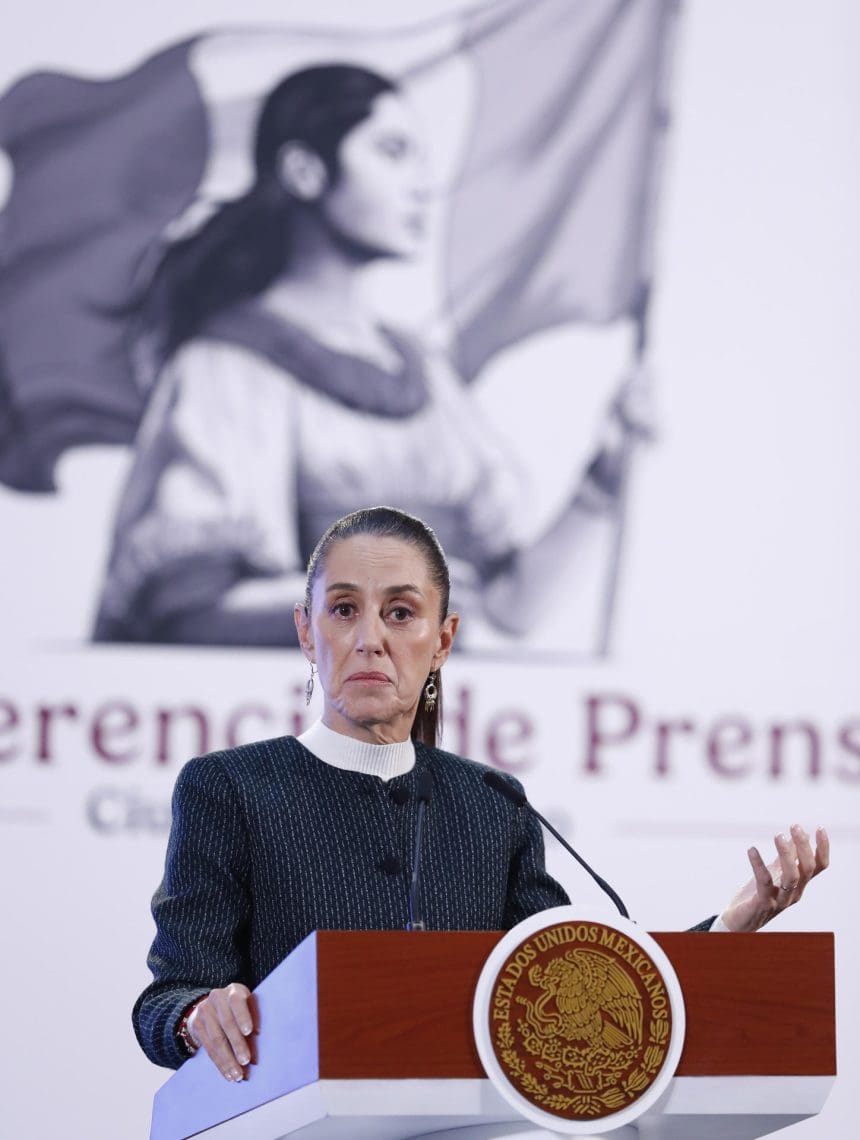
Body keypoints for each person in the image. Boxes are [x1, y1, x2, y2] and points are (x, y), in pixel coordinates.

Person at [132, 506, 830, 1081]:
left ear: (443, 641)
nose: (370, 638)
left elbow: (584, 980)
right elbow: (165, 1002)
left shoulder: (491, 803)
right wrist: (199, 1016)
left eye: (401, 614)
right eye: (343, 610)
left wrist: (733, 927)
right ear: (306, 633)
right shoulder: (229, 788)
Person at [93, 63, 645, 650]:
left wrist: (603, 479)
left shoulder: (424, 375)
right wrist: (397, 610)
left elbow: (509, 609)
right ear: (304, 171)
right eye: (392, 151)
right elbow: (192, 611)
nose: (420, 184)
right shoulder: (228, 369)